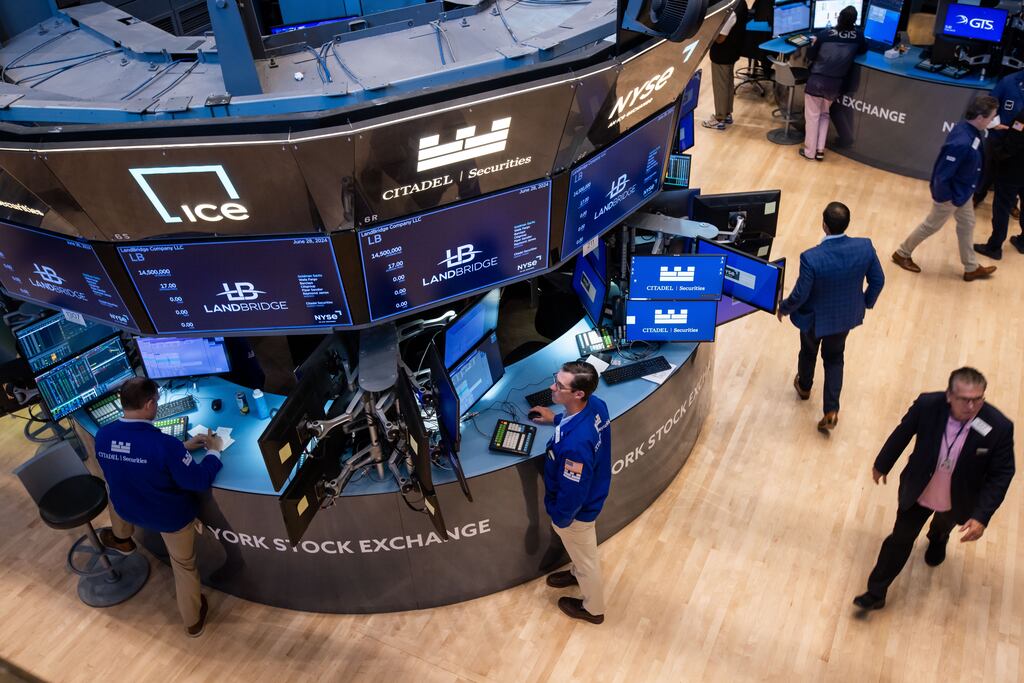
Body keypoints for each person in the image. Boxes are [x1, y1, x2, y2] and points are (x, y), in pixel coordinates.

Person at [853, 367, 1015, 611]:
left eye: (978, 399)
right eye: (965, 399)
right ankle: (875, 593)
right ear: (950, 395)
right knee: (899, 540)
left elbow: (1002, 473)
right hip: (919, 491)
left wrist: (981, 516)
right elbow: (903, 432)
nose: (972, 406)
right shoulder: (927, 405)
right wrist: (882, 463)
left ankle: (938, 538)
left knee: (943, 524)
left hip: (958, 498)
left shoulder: (999, 427)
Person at [93, 377, 224, 637]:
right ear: (150, 404)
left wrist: (182, 449)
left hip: (127, 508)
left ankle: (122, 539)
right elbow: (198, 481)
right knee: (184, 566)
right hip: (170, 519)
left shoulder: (103, 435)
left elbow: (132, 461)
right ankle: (193, 621)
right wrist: (214, 452)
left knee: (113, 486)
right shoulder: (165, 445)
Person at [777, 201, 884, 433]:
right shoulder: (865, 247)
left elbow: (800, 294)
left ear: (824, 225)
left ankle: (804, 387)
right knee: (835, 358)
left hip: (814, 320)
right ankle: (831, 410)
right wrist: (865, 302)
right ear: (848, 223)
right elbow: (878, 280)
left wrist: (783, 307)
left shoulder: (811, 258)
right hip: (844, 318)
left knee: (808, 351)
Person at [529, 361, 612, 624]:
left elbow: (573, 493)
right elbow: (578, 422)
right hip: (594, 492)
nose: (552, 387)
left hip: (578, 513)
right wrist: (554, 419)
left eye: (559, 385)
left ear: (578, 393)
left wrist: (559, 518)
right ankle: (576, 573)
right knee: (581, 554)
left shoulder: (576, 446)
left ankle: (593, 609)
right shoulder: (596, 404)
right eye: (556, 379)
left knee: (587, 561)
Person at [891, 95, 999, 282]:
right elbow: (942, 175)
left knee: (967, 224)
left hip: (963, 192)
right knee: (931, 225)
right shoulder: (961, 142)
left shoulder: (969, 130)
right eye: (991, 118)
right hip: (952, 195)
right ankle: (902, 253)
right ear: (980, 117)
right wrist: (946, 198)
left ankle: (971, 267)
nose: (993, 121)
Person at [800, 6, 866, 161]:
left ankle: (809, 152)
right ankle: (820, 151)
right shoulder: (858, 36)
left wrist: (813, 43)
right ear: (854, 21)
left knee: (812, 117)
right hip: (835, 85)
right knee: (824, 115)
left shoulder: (824, 35)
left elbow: (811, 55)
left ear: (838, 18)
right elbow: (863, 50)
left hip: (816, 82)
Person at [974, 109, 1024, 259]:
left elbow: (1012, 142)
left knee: (1002, 207)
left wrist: (998, 154)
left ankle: (994, 247)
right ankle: (1023, 242)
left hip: (1013, 170)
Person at [972, 68, 1024, 207]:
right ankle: (978, 195)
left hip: (1020, 143)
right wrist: (993, 124)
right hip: (998, 138)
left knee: (1015, 176)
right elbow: (989, 104)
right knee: (988, 170)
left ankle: (1012, 204)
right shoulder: (1008, 81)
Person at [701, 0, 747, 131]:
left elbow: (721, 38)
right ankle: (727, 113)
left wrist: (708, 31)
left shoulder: (731, 10)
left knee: (721, 86)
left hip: (723, 53)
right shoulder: (741, 3)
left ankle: (719, 119)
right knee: (728, 82)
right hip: (733, 50)